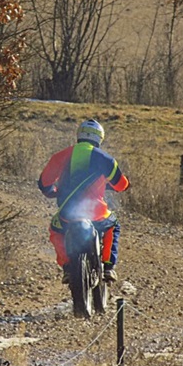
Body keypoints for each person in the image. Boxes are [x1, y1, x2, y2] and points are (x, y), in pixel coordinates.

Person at [37, 119, 130, 284]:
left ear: (79, 135)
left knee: (56, 230)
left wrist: (53, 192)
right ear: (99, 138)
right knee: (113, 225)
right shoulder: (106, 159)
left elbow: (44, 184)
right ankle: (108, 267)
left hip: (68, 213)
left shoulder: (61, 156)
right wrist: (119, 185)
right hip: (97, 214)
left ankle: (66, 268)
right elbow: (122, 185)